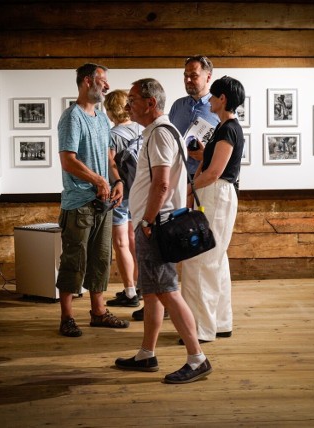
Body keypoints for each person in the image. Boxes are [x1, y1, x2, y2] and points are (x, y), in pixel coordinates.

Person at [114, 78, 212, 384]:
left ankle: (197, 359)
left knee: (167, 290)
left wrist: (147, 221)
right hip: (156, 223)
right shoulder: (162, 133)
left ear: (150, 103)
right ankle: (147, 353)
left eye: (132, 100)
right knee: (154, 292)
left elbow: (162, 183)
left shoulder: (159, 134)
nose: (127, 106)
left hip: (154, 226)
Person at [131, 55, 219, 322]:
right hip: (175, 192)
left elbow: (162, 181)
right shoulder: (178, 109)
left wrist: (147, 220)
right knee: (163, 281)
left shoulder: (214, 110)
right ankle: (154, 337)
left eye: (193, 75)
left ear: (207, 77)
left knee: (179, 272)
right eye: (185, 75)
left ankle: (194, 342)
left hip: (190, 190)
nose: (188, 80)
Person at [55, 63, 130, 337]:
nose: (107, 86)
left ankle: (98, 312)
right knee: (74, 259)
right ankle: (67, 317)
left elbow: (108, 156)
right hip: (79, 203)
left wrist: (117, 180)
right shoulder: (72, 117)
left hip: (104, 201)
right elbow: (68, 161)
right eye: (103, 81)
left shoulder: (100, 118)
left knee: (101, 258)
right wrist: (98, 181)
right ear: (87, 81)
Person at [181, 76, 246, 343]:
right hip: (217, 193)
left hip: (216, 191)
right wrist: (203, 154)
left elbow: (216, 172)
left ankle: (201, 330)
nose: (208, 100)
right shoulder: (226, 128)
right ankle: (220, 322)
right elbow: (215, 163)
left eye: (213, 96)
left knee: (203, 261)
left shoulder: (228, 128)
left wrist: (187, 189)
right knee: (216, 260)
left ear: (223, 100)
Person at [103, 90, 144, 308]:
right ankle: (140, 287)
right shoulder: (142, 129)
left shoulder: (112, 135)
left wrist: (116, 182)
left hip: (120, 193)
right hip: (139, 193)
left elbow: (110, 164)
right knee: (134, 240)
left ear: (110, 110)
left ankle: (129, 292)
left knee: (120, 243)